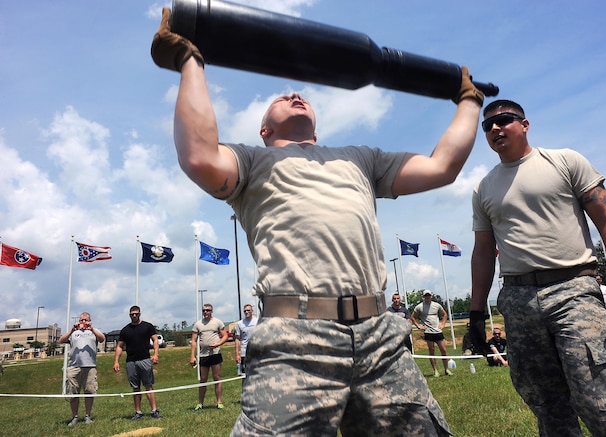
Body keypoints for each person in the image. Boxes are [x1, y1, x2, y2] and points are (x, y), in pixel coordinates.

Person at [151, 8, 483, 435]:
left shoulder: (360, 158)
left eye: (301, 94)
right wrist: (190, 61)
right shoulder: (252, 161)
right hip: (294, 341)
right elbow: (199, 156)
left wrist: (469, 101)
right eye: (280, 97)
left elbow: (442, 167)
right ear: (263, 130)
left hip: (381, 336)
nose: (294, 94)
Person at [470, 99, 606, 436]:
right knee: (548, 407)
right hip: (518, 298)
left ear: (524, 124)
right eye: (487, 125)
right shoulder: (484, 188)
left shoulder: (565, 161)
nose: (494, 128)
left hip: (573, 291)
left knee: (604, 400)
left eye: (504, 120)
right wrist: (477, 312)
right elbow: (482, 253)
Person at [113, 305, 162, 420]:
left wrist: (155, 355)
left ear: (140, 314)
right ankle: (138, 412)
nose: (134, 316)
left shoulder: (147, 326)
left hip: (145, 360)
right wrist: (116, 361)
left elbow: (155, 340)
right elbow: (120, 346)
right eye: (132, 314)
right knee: (135, 388)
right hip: (131, 362)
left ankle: (154, 411)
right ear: (129, 315)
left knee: (148, 386)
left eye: (136, 314)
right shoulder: (125, 330)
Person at [59, 312, 105, 426]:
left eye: (86, 320)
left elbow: (102, 338)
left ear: (90, 320)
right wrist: (71, 330)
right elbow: (61, 340)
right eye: (81, 320)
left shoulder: (94, 332)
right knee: (74, 392)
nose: (83, 322)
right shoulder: (74, 333)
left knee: (89, 391)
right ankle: (74, 417)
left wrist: (92, 328)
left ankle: (87, 416)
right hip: (74, 366)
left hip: (90, 366)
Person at [190, 303, 228, 410]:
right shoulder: (198, 324)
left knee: (217, 377)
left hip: (215, 354)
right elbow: (193, 341)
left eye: (208, 310)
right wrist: (192, 356)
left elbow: (225, 336)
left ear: (212, 311)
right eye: (204, 311)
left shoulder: (217, 322)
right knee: (203, 379)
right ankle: (200, 403)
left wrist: (218, 344)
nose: (205, 312)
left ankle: (219, 402)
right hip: (203, 355)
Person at [411, 291, 453, 377]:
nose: (427, 297)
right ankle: (435, 371)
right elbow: (413, 317)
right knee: (431, 351)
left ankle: (446, 369)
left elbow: (444, 314)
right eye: (426, 296)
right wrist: (418, 326)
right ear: (423, 297)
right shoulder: (419, 307)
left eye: (429, 296)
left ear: (431, 296)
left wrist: (443, 324)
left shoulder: (437, 305)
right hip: (428, 332)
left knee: (444, 350)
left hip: (438, 331)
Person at [235, 304, 259, 381]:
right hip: (244, 353)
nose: (246, 312)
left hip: (256, 351)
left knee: (258, 374)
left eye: (248, 310)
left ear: (252, 311)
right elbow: (237, 339)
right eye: (245, 311)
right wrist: (237, 354)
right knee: (245, 376)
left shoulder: (258, 321)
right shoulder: (240, 324)